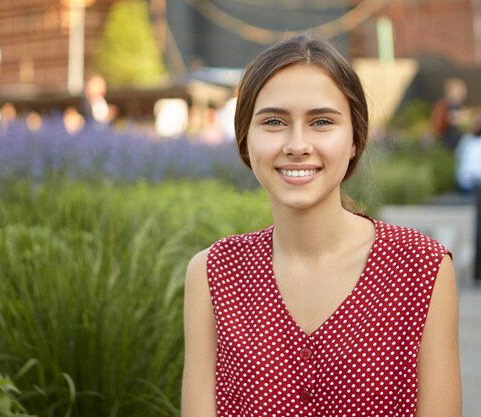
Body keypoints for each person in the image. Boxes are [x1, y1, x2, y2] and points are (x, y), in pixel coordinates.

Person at [181, 33, 461, 417]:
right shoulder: (213, 274)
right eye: (274, 121)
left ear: (354, 140)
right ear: (245, 140)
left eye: (322, 121)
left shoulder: (421, 268)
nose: (297, 144)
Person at [430, 78, 467, 150]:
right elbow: (455, 120)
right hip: (449, 140)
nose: (462, 92)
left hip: (449, 139)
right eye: (458, 90)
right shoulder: (449, 105)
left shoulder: (451, 105)